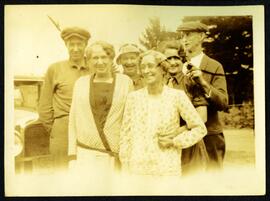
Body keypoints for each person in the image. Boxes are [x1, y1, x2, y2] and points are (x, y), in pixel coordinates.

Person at [119, 50, 207, 177]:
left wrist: (175, 142)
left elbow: (200, 128)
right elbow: (125, 136)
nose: (146, 70)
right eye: (143, 67)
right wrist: (125, 166)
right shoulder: (133, 98)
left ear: (162, 69)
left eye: (150, 66)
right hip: (137, 169)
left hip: (166, 169)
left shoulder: (177, 96)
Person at [68, 41, 133, 177]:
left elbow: (131, 120)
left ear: (111, 59)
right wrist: (72, 155)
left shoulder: (125, 82)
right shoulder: (81, 83)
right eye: (95, 58)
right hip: (85, 153)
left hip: (115, 154)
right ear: (89, 61)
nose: (100, 62)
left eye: (104, 57)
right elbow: (73, 120)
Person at [177, 21, 229, 170]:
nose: (184, 39)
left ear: (201, 36)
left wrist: (203, 82)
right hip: (184, 136)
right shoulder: (178, 67)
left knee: (213, 184)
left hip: (210, 136)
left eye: (188, 35)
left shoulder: (214, 66)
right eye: (182, 36)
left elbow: (224, 102)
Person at [38, 27, 90, 171]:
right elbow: (44, 105)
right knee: (61, 172)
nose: (75, 48)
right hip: (63, 130)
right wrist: (55, 128)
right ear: (66, 45)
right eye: (71, 44)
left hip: (89, 128)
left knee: (88, 173)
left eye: (79, 44)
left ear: (86, 45)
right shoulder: (55, 69)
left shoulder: (94, 68)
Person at [161, 43, 209, 175]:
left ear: (182, 60)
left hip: (189, 143)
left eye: (176, 58)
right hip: (165, 145)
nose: (172, 62)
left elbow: (202, 116)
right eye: (168, 59)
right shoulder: (159, 83)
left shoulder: (190, 82)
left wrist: (177, 132)